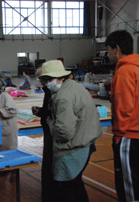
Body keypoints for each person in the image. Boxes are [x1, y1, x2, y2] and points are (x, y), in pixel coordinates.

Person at [40, 60, 101, 202]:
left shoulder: (63, 97)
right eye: (45, 80)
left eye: (50, 80)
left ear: (61, 77)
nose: (48, 83)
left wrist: (51, 124)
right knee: (76, 184)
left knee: (67, 188)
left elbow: (63, 133)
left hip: (74, 148)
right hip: (86, 141)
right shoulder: (74, 87)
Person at [105, 30, 139, 202]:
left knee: (129, 187)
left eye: (108, 51)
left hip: (129, 136)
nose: (108, 55)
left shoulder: (125, 71)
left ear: (116, 49)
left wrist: (118, 137)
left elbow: (123, 108)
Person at [32, 67, 54, 202]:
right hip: (48, 132)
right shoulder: (48, 91)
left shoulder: (56, 92)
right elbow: (49, 110)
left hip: (54, 134)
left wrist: (43, 114)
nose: (40, 81)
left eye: (42, 78)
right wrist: (41, 112)